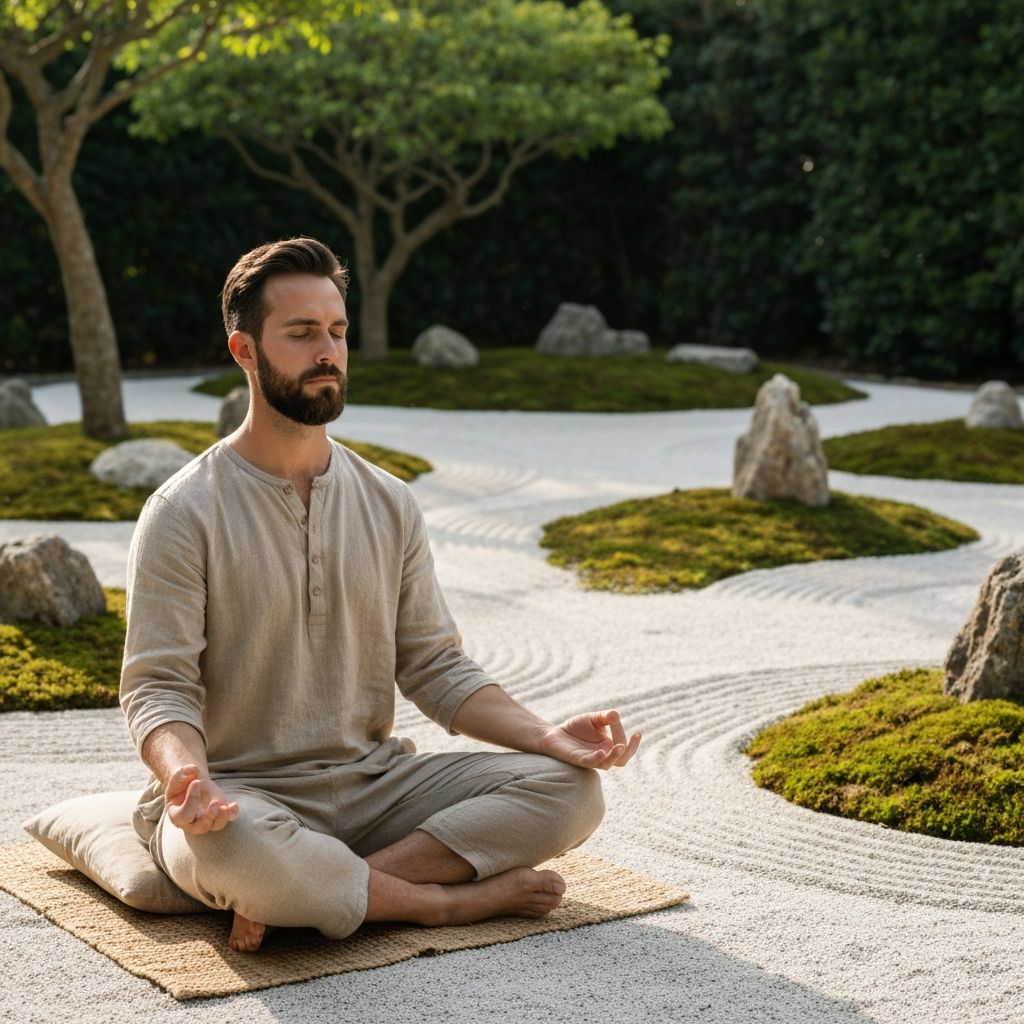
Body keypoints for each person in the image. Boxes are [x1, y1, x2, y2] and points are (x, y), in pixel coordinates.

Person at [120, 236, 641, 953]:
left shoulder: (390, 502)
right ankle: (443, 906)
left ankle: (324, 891)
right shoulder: (182, 512)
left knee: (571, 791)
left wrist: (548, 736)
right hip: (242, 799)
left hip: (375, 788)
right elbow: (157, 687)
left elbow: (436, 667)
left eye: (336, 332)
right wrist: (189, 780)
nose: (327, 351)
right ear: (245, 351)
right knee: (238, 852)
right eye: (301, 334)